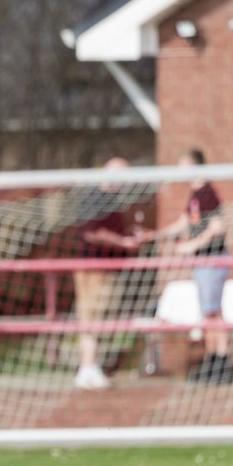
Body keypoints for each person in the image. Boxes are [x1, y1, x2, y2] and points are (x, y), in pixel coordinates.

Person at [139, 148, 231, 383]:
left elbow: (217, 227)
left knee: (213, 312)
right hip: (202, 261)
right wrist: (155, 235)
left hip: (212, 259)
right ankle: (212, 358)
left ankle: (221, 360)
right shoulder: (195, 195)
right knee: (208, 312)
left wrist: (193, 246)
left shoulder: (208, 193)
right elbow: (185, 223)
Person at [72, 157, 141, 389]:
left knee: (98, 320)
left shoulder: (113, 201)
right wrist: (122, 242)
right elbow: (93, 233)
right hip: (94, 269)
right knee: (91, 318)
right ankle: (87, 368)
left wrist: (129, 236)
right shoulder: (95, 197)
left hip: (108, 268)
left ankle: (90, 366)